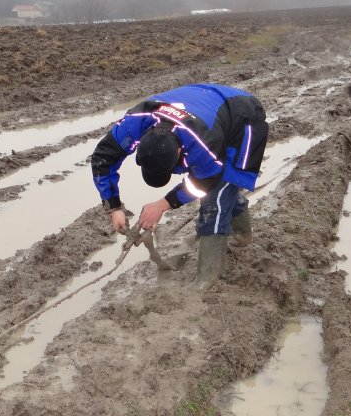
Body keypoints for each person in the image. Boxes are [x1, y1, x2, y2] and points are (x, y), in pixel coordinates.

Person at [91, 84, 268, 285]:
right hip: (204, 102)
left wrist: (163, 204)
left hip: (243, 117)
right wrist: (113, 206)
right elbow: (103, 158)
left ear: (178, 153)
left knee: (215, 199)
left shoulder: (202, 144)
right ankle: (243, 234)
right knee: (222, 190)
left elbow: (205, 180)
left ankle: (206, 279)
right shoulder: (135, 123)